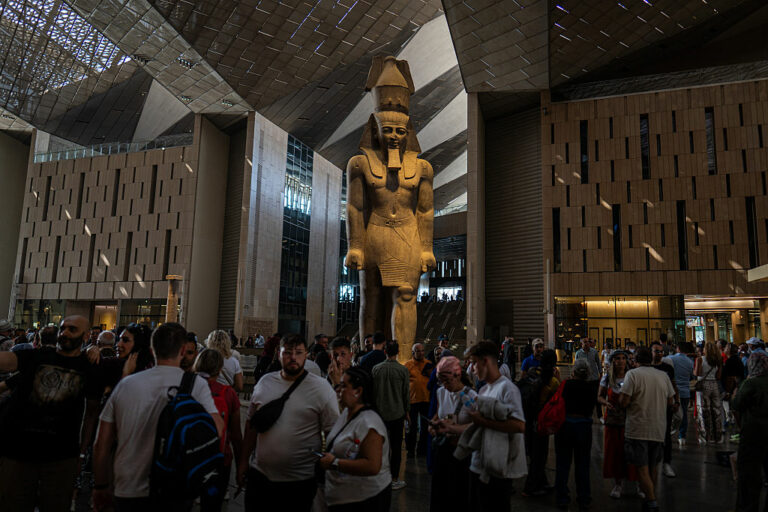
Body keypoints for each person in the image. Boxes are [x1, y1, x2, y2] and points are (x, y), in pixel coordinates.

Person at [92, 323, 223, 512]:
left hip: (128, 487)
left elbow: (101, 443)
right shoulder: (196, 385)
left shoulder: (126, 384)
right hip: (174, 487)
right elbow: (217, 428)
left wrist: (100, 485)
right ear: (183, 349)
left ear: (152, 349)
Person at [0, 315, 104, 511]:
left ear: (86, 336)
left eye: (72, 329)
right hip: (18, 451)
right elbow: (6, 361)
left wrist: (81, 455)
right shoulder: (37, 357)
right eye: (62, 328)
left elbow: (91, 414)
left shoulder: (90, 367)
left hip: (61, 457)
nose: (64, 333)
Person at [238, 333, 339, 512]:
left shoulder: (321, 389)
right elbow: (251, 426)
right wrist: (244, 461)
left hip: (299, 482)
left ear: (306, 355)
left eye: (298, 353)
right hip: (260, 477)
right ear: (279, 354)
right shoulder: (265, 383)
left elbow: (334, 432)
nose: (293, 357)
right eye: (288, 352)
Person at [463, 341, 527, 512]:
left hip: (497, 470)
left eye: (474, 362)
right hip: (479, 465)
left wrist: (483, 422)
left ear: (486, 361)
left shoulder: (508, 389)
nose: (472, 369)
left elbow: (519, 425)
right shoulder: (484, 390)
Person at [319, 367, 391, 511]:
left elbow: (372, 466)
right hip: (343, 497)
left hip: (364, 500)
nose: (338, 390)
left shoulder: (369, 423)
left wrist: (335, 462)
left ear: (358, 391)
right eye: (339, 385)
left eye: (344, 386)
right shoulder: (347, 412)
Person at [619, 347, 676, 512]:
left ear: (635, 360)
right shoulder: (663, 376)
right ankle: (651, 497)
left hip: (638, 428)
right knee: (653, 466)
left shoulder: (633, 375)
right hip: (658, 428)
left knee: (642, 467)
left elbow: (624, 401)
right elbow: (670, 401)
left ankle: (652, 501)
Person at [193, 349, 242, 512]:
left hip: (189, 457)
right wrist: (241, 464)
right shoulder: (228, 393)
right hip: (219, 459)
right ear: (220, 368)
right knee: (212, 506)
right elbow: (235, 434)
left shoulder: (185, 388)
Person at [429, 355, 477, 511]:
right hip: (443, 451)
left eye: (447, 380)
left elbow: (478, 425)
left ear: (458, 375)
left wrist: (453, 428)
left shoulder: (471, 397)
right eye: (441, 381)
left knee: (460, 497)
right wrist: (433, 425)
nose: (444, 384)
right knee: (440, 496)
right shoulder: (441, 392)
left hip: (463, 453)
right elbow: (438, 414)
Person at [554, 359, 597, 510]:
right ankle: (584, 498)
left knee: (563, 464)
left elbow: (559, 400)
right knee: (583, 465)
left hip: (565, 426)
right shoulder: (592, 387)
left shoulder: (566, 384)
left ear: (573, 371)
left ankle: (562, 497)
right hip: (584, 427)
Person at [598, 350, 639, 499]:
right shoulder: (607, 378)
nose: (621, 361)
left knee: (633, 453)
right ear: (613, 361)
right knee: (615, 452)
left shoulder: (632, 376)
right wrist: (605, 403)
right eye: (617, 359)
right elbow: (599, 396)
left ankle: (637, 481)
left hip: (630, 420)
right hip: (613, 421)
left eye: (623, 358)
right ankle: (618, 483)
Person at [732, 351, 768, 512]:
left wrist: (734, 395)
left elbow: (737, 404)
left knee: (749, 475)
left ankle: (748, 507)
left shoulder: (750, 383)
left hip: (753, 433)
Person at [372, 341, 410, 490]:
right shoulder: (402, 370)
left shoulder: (376, 369)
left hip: (379, 414)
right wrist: (407, 411)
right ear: (397, 352)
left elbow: (373, 392)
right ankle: (394, 478)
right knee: (396, 447)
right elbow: (405, 393)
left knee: (380, 446)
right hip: (397, 413)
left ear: (385, 352)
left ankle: (380, 475)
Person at [522, 349, 559, 497]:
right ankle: (530, 488)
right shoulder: (552, 380)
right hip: (541, 421)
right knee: (540, 456)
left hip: (528, 418)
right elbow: (557, 400)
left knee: (534, 454)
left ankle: (542, 482)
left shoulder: (532, 371)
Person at [651, 341, 679, 478]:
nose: (660, 354)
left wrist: (676, 401)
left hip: (665, 405)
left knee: (666, 434)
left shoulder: (668, 368)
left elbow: (673, 385)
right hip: (650, 406)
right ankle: (652, 463)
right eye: (657, 351)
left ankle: (666, 463)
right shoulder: (646, 367)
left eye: (661, 351)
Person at [404, 342, 433, 456]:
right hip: (413, 401)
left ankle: (422, 450)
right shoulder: (408, 365)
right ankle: (410, 450)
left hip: (426, 400)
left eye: (422, 351)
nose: (421, 353)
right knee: (412, 427)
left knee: (425, 427)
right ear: (413, 353)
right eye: (418, 351)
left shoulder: (429, 364)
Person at [694, 341, 723, 444]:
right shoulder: (718, 361)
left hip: (703, 385)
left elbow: (697, 373)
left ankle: (706, 436)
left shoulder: (700, 359)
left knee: (704, 411)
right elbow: (719, 376)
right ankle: (718, 437)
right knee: (716, 411)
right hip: (714, 385)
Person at [669, 342, 695, 445]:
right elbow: (691, 377)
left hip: (672, 391)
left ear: (678, 348)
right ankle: (682, 436)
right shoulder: (690, 362)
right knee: (684, 414)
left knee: (669, 413)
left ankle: (669, 432)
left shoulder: (670, 358)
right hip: (685, 391)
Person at [575, 338, 602, 418]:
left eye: (588, 342)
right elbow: (576, 366)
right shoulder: (578, 353)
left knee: (597, 397)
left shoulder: (594, 352)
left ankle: (600, 415)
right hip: (584, 379)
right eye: (585, 342)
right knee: (585, 398)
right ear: (581, 344)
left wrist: (601, 374)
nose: (587, 344)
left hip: (594, 378)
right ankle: (586, 415)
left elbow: (598, 363)